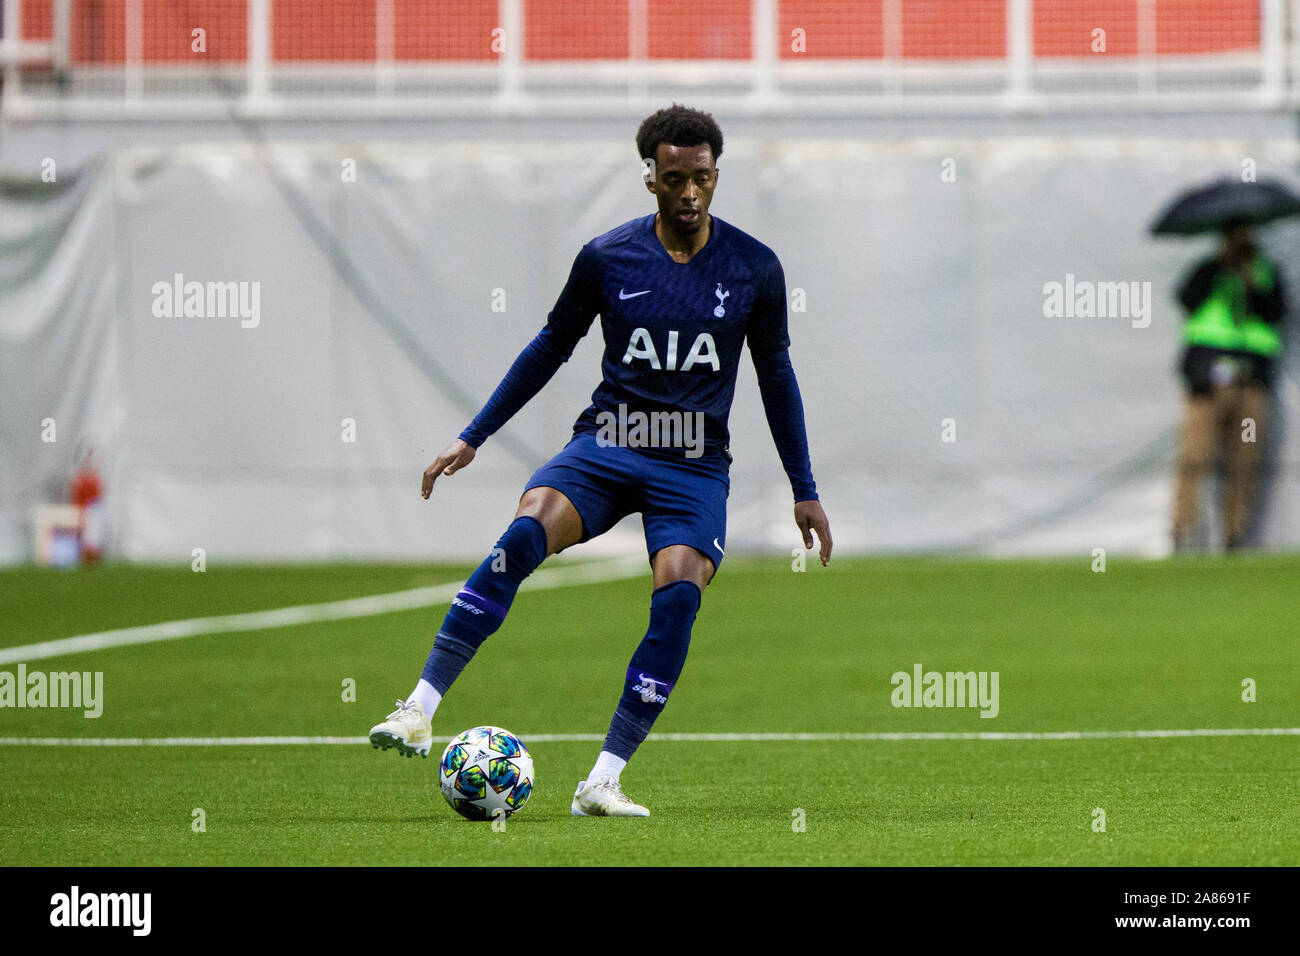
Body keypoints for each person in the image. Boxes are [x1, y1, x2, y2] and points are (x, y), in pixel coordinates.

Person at [369, 104, 832, 816]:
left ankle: (603, 779)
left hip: (692, 463)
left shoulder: (753, 269)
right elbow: (551, 346)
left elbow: (776, 374)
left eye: (702, 178)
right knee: (523, 535)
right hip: (609, 443)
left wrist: (804, 486)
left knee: (679, 595)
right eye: (674, 178)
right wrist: (474, 435)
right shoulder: (608, 258)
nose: (688, 193)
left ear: (716, 176)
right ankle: (419, 707)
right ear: (650, 177)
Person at [1171, 221, 1286, 551]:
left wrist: (1251, 280)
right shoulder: (1208, 270)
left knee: (1244, 460)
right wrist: (1221, 265)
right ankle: (1182, 533)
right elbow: (1187, 299)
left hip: (1251, 383)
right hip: (1208, 383)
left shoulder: (1265, 272)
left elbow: (1276, 312)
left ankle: (1235, 536)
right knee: (1195, 458)